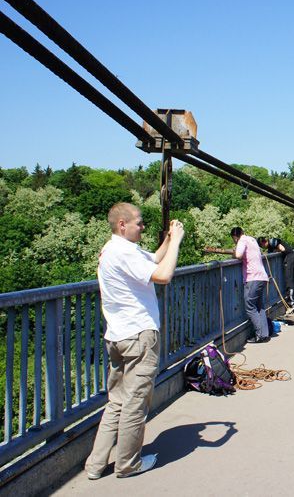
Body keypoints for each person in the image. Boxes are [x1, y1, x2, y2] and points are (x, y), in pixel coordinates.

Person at [85, 203, 184, 480]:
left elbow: (152, 259)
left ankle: (95, 465)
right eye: (138, 223)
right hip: (139, 336)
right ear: (122, 225)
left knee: (116, 401)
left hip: (118, 336)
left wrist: (166, 240)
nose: (142, 227)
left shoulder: (113, 249)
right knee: (135, 402)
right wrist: (176, 242)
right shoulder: (124, 253)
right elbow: (163, 275)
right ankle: (128, 464)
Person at [231, 227, 272, 342]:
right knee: (259, 306)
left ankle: (259, 335)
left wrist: (233, 254)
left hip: (253, 277)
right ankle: (264, 334)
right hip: (262, 276)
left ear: (235, 237)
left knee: (250, 306)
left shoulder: (242, 240)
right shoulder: (252, 239)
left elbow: (238, 255)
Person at [259, 237, 294, 311]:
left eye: (261, 245)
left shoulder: (272, 242)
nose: (262, 247)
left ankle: (291, 303)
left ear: (263, 243)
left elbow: (282, 249)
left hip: (289, 258)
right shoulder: (270, 246)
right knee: (293, 280)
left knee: (289, 281)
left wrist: (276, 250)